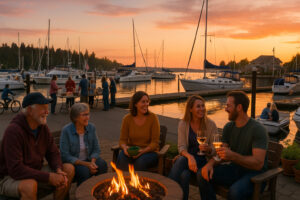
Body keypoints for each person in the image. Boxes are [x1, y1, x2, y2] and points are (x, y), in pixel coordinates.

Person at [0, 92, 74, 200]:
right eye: (43, 108)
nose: (47, 112)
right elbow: (16, 169)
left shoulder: (42, 128)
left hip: (34, 171)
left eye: (47, 108)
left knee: (68, 169)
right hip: (8, 177)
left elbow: (53, 152)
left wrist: (58, 169)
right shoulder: (14, 131)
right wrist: (48, 177)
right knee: (30, 186)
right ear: (30, 110)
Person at [198, 91, 268, 200]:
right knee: (202, 174)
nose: (225, 109)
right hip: (235, 169)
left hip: (255, 174)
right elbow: (222, 153)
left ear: (239, 107)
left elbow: (258, 164)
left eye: (228, 106)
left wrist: (233, 156)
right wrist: (210, 164)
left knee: (235, 192)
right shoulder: (228, 127)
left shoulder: (258, 129)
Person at [168, 95, 218, 200]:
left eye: (203, 106)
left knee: (181, 161)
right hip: (189, 161)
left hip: (204, 160)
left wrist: (208, 149)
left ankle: (168, 191)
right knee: (184, 175)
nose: (202, 109)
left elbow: (216, 150)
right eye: (198, 106)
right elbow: (181, 147)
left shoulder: (211, 124)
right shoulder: (183, 124)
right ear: (190, 109)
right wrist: (190, 157)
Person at [60, 103, 107, 186]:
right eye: (84, 115)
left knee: (102, 164)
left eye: (88, 114)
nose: (87, 117)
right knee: (84, 171)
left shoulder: (91, 127)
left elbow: (96, 149)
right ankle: (82, 194)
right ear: (75, 117)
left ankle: (100, 190)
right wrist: (86, 164)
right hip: (75, 163)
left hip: (89, 159)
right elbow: (65, 155)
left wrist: (92, 163)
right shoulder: (66, 131)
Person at [116, 91, 160, 171]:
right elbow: (122, 140)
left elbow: (155, 143)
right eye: (143, 102)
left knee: (140, 162)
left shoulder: (153, 118)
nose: (146, 104)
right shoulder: (127, 119)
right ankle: (124, 182)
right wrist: (125, 148)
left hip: (149, 152)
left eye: (147, 101)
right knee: (122, 157)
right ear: (135, 104)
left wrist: (142, 151)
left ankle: (139, 183)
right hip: (132, 151)